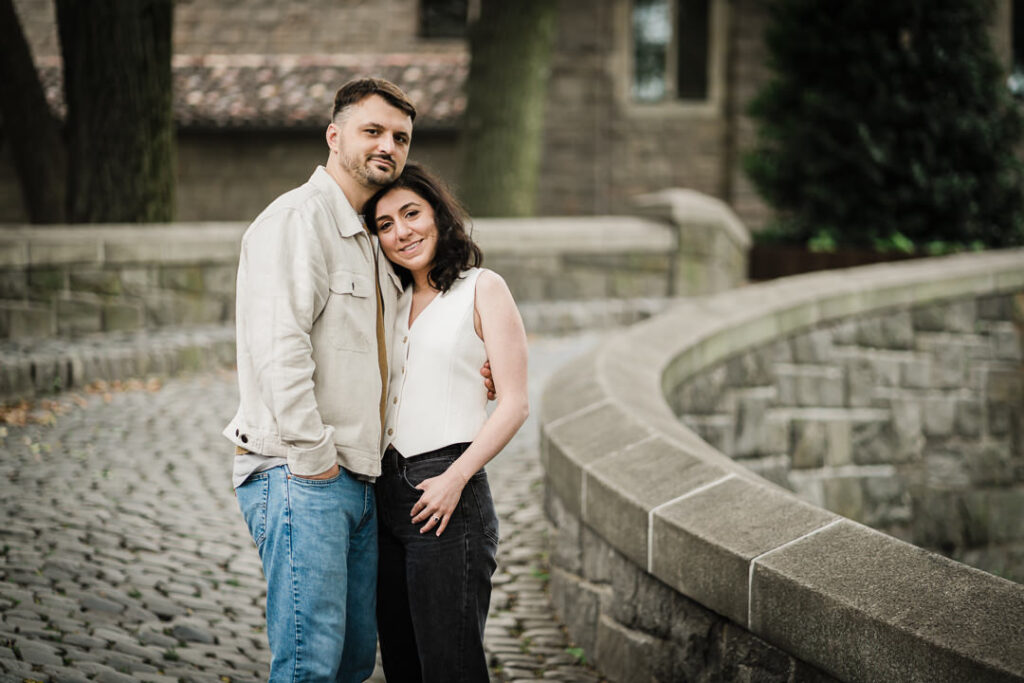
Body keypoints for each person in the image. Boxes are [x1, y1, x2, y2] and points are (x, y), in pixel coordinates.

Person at [223, 78, 415, 682]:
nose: (389, 145)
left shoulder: (371, 238)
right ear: (334, 137)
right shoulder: (297, 220)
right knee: (310, 665)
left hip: (359, 482)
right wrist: (314, 458)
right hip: (302, 474)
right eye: (374, 131)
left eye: (401, 137)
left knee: (354, 661)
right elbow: (278, 346)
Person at [364, 163, 530, 682]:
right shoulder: (388, 301)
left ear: (438, 214)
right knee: (402, 666)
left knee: (450, 667)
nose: (401, 232)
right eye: (385, 224)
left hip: (448, 494)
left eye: (411, 213)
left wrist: (455, 478)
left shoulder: (483, 288)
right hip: (384, 495)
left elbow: (514, 403)